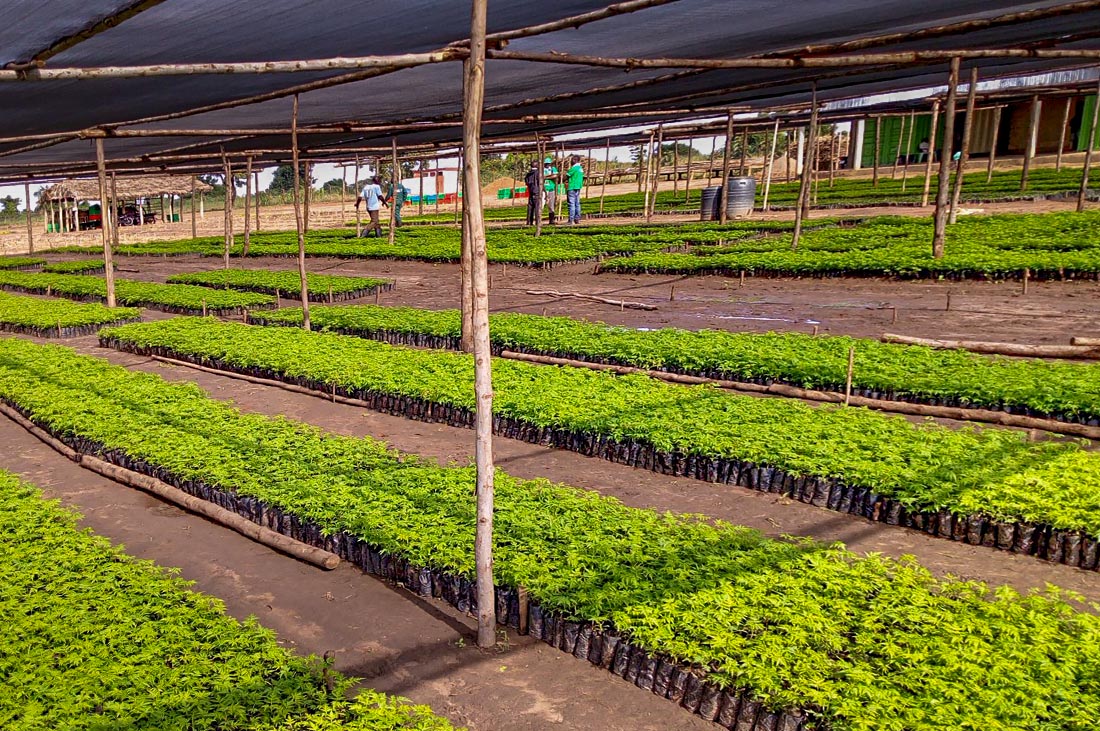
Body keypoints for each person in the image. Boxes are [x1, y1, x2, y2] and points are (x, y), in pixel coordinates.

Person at [566, 155, 584, 225]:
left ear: (574, 160)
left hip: (572, 187)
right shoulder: (580, 168)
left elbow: (567, 175)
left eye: (571, 160)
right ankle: (577, 219)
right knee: (577, 204)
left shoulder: (574, 168)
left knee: (572, 204)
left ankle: (571, 220)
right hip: (578, 187)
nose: (570, 161)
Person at [542, 156, 558, 225]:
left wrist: (546, 177)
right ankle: (538, 220)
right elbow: (540, 177)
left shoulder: (553, 168)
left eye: (548, 163)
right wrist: (548, 176)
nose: (547, 165)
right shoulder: (542, 169)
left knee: (551, 205)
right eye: (546, 164)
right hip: (543, 189)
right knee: (541, 205)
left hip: (551, 189)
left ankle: (551, 220)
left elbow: (555, 176)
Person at [523, 159, 540, 226]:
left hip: (531, 192)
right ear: (537, 165)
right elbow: (541, 182)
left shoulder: (528, 174)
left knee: (530, 208)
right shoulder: (538, 173)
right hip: (537, 192)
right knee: (537, 208)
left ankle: (529, 222)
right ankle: (537, 222)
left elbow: (526, 182)